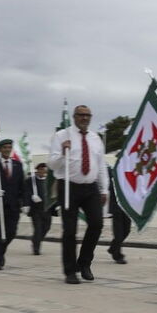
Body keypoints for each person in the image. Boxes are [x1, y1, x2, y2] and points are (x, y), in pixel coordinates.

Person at [49, 105, 109, 284]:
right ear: (74, 117)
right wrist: (62, 153)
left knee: (97, 224)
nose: (84, 118)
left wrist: (104, 188)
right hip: (68, 186)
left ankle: (84, 263)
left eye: (87, 115)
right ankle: (70, 271)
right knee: (70, 230)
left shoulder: (95, 138)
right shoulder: (62, 136)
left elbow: (101, 165)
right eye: (81, 115)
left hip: (90, 188)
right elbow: (52, 164)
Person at [0, 139, 25, 270]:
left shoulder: (17, 165)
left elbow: (22, 186)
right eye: (5, 147)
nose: (7, 149)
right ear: (0, 149)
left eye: (9, 147)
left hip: (13, 206)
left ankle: (0, 251)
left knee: (11, 232)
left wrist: (25, 202)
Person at [25, 162, 52, 255]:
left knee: (47, 227)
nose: (42, 172)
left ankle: (36, 240)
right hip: (35, 209)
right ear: (37, 170)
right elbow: (26, 191)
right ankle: (36, 248)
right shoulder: (31, 180)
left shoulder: (48, 181)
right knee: (38, 228)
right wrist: (31, 197)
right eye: (40, 170)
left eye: (44, 170)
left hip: (47, 209)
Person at [107, 166, 130, 264]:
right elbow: (110, 187)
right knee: (118, 233)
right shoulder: (113, 173)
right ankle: (117, 255)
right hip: (116, 207)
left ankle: (113, 248)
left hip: (127, 207)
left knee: (127, 230)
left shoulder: (129, 173)